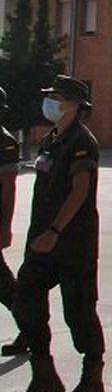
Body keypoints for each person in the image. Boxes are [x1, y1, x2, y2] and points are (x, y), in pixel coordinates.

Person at [10, 76, 106, 392]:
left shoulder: (81, 140)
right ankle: (43, 374)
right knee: (26, 299)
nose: (50, 102)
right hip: (43, 240)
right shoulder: (53, 138)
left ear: (75, 104)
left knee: (79, 311)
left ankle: (92, 381)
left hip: (71, 242)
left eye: (56, 97)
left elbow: (80, 190)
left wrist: (54, 230)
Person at [0, 88, 20, 357]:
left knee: (3, 284)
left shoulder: (4, 141)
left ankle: (30, 326)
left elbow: (8, 187)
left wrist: (5, 226)